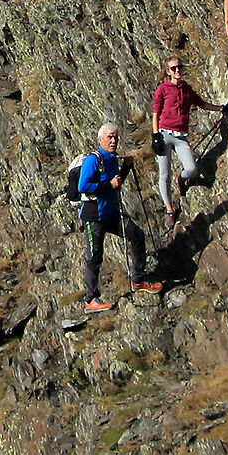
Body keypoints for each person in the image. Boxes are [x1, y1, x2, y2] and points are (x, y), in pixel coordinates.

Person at [72, 122, 157, 312]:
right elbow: (82, 186)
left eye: (115, 137)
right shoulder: (93, 160)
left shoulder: (111, 159)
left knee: (136, 235)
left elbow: (116, 183)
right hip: (94, 215)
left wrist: (125, 169)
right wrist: (109, 185)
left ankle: (138, 280)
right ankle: (90, 300)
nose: (113, 141)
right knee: (94, 256)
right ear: (100, 139)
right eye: (109, 137)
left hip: (111, 213)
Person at [148, 55, 222, 230]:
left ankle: (180, 180)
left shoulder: (187, 89)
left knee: (192, 169)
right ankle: (169, 210)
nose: (177, 71)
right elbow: (155, 114)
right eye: (173, 68)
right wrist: (155, 135)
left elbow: (202, 104)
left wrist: (221, 108)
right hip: (164, 134)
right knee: (163, 174)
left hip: (181, 136)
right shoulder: (162, 89)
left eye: (179, 67)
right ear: (168, 72)